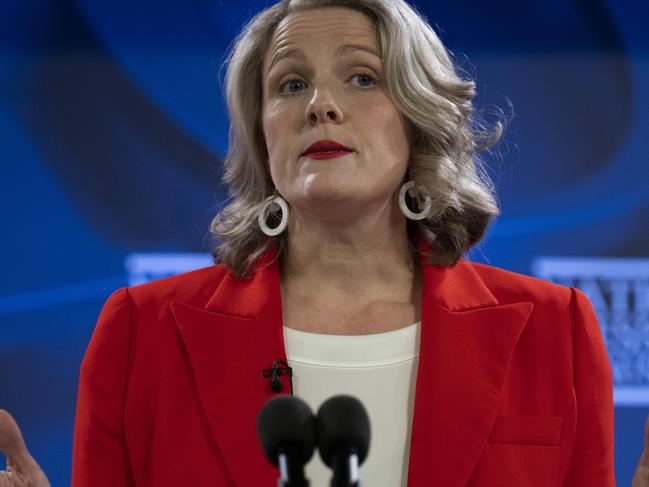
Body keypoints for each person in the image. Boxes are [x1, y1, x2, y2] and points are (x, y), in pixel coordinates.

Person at [0, 0, 618, 485]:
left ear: (418, 116)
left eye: (362, 77)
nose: (322, 105)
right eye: (291, 85)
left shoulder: (553, 331)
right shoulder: (141, 332)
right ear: (261, 134)